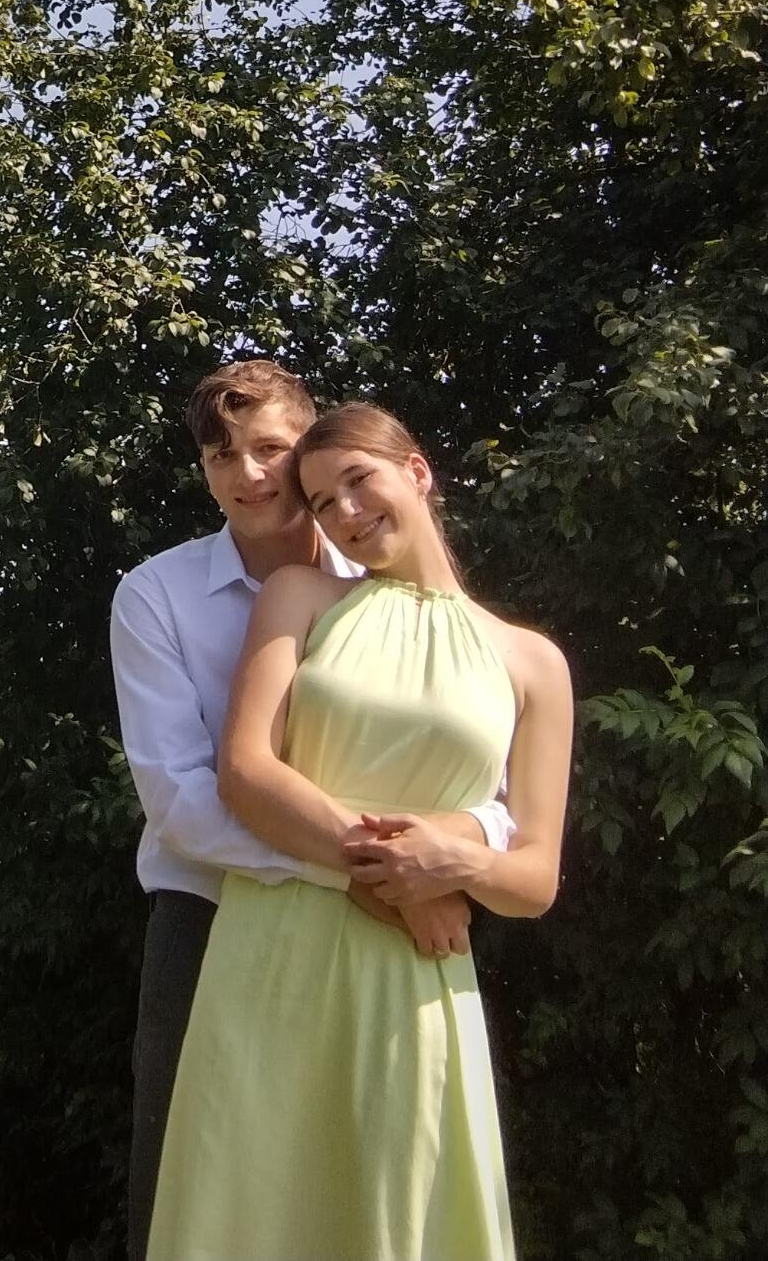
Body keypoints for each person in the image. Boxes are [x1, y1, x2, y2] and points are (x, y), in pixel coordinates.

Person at [145, 403, 574, 1261]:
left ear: (416, 471)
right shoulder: (298, 596)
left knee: (395, 1212)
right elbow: (244, 773)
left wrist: (449, 860)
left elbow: (532, 880)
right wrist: (394, 878)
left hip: (415, 975)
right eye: (320, 500)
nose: (344, 511)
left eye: (357, 481)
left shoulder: (533, 662)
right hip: (273, 953)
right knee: (251, 1213)